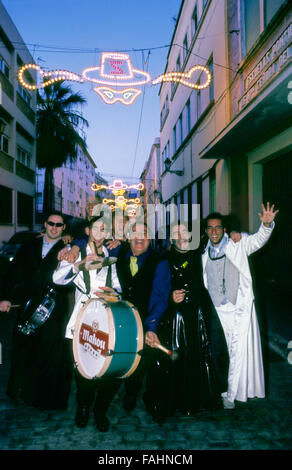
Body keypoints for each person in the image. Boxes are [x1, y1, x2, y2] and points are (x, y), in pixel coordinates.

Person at [202, 203, 279, 409]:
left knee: (237, 350)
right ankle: (231, 387)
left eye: (218, 227)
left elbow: (257, 241)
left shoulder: (238, 242)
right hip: (218, 310)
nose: (214, 231)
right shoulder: (202, 254)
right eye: (210, 228)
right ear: (206, 231)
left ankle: (231, 394)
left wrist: (267, 225)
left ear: (224, 229)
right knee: (225, 351)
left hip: (238, 307)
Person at [53, 214, 122, 432]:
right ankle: (83, 407)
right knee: (84, 371)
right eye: (96, 228)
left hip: (106, 323)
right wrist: (77, 266)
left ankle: (100, 409)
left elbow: (119, 286)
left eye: (104, 229)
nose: (100, 233)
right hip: (82, 321)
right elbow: (57, 278)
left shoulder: (111, 256)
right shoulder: (76, 252)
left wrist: (116, 293)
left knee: (110, 370)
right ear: (87, 231)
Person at [0, 212, 73, 410]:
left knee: (49, 353)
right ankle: (20, 390)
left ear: (64, 228)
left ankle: (44, 398)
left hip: (54, 308)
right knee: (24, 349)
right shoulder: (29, 246)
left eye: (59, 225)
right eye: (51, 223)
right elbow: (13, 273)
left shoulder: (68, 249)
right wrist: (6, 297)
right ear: (45, 224)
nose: (54, 228)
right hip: (28, 304)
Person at [158, 222, 229, 417]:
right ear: (171, 238)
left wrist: (235, 234)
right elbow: (155, 290)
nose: (181, 237)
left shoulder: (200, 253)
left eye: (185, 233)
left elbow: (218, 236)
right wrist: (170, 298)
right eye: (176, 233)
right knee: (181, 355)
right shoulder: (163, 259)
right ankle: (181, 400)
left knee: (202, 353)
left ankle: (203, 398)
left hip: (199, 312)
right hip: (176, 316)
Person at [115, 222, 172, 423]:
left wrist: (151, 327)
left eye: (145, 234)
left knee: (154, 363)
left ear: (150, 239)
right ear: (128, 237)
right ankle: (130, 392)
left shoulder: (160, 261)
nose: (140, 238)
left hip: (151, 320)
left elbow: (160, 296)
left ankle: (154, 402)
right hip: (125, 321)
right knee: (130, 359)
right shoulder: (117, 257)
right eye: (135, 234)